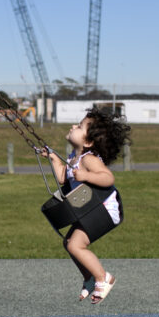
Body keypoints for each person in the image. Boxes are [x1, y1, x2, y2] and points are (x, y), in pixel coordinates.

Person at [42, 108, 131, 304]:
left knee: (76, 245)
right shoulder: (74, 157)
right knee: (69, 243)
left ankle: (103, 278)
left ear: (88, 142)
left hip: (105, 209)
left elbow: (108, 178)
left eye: (79, 126)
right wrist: (54, 158)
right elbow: (63, 177)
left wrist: (87, 176)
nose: (73, 126)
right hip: (90, 209)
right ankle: (89, 278)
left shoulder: (88, 159)